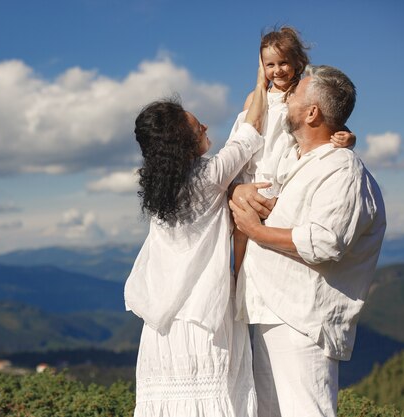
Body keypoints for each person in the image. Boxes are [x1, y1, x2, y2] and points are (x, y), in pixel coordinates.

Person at [229, 65, 386, 417]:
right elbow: (259, 182)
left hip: (303, 319)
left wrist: (256, 231)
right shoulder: (296, 160)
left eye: (294, 96)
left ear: (313, 112)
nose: (285, 102)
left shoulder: (342, 170)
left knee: (305, 410)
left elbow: (324, 243)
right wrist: (240, 190)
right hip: (271, 308)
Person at [124, 59, 270, 416]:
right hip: (206, 323)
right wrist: (262, 76)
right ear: (182, 143)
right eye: (195, 125)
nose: (205, 125)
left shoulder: (159, 189)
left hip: (162, 329)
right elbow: (250, 129)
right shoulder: (209, 178)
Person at [230, 27, 355, 279]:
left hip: (284, 170)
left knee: (276, 224)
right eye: (270, 64)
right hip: (257, 168)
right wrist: (259, 85)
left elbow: (329, 120)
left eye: (283, 62)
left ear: (297, 62)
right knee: (240, 228)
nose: (277, 70)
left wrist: (350, 137)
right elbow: (244, 134)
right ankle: (237, 272)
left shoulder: (301, 94)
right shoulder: (256, 97)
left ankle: (260, 275)